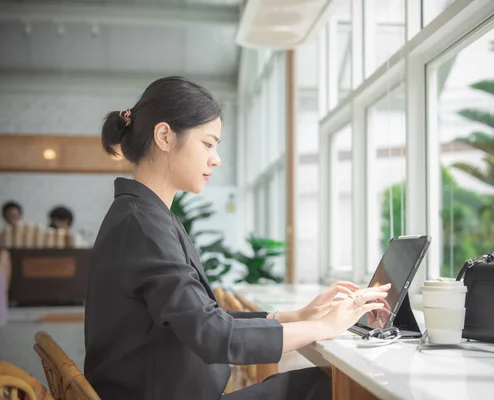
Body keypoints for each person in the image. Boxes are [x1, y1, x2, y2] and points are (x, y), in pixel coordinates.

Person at [84, 76, 390, 400]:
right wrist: (325, 327)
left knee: (323, 384)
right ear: (164, 136)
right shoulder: (143, 225)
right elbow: (213, 335)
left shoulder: (144, 216)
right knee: (334, 389)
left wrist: (296, 316)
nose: (215, 158)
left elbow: (200, 317)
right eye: (207, 143)